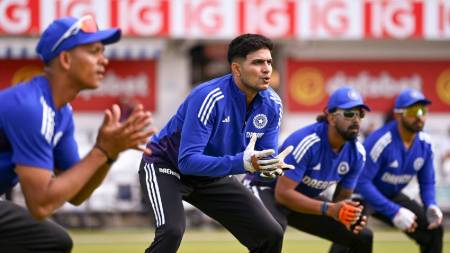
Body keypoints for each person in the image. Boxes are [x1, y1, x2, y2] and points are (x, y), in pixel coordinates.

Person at [0, 16, 154, 252]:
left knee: (53, 242)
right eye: (94, 51)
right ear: (65, 59)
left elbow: (77, 194)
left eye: (103, 52)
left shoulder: (61, 112)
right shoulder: (30, 106)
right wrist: (102, 151)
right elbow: (40, 204)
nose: (104, 60)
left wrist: (108, 154)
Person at [139, 33, 293, 253]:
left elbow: (263, 156)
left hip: (212, 175)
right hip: (165, 166)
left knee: (271, 234)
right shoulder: (208, 96)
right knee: (171, 232)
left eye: (269, 61)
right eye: (258, 62)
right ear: (237, 69)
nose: (267, 68)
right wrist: (244, 163)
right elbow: (188, 162)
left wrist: (270, 168)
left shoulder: (273, 104)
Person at [244, 86, 373, 253]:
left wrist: (346, 214)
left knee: (361, 235)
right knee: (273, 231)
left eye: (360, 114)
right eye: (349, 114)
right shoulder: (306, 142)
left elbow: (339, 201)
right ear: (331, 117)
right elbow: (283, 195)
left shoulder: (358, 153)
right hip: (266, 188)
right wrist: (328, 209)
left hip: (299, 199)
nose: (356, 119)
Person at [355, 88, 444, 253]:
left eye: (422, 110)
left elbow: (427, 181)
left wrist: (431, 204)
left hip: (391, 195)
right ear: (398, 115)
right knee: (355, 233)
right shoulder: (381, 141)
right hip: (362, 195)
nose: (419, 116)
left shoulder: (425, 144)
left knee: (433, 230)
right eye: (413, 111)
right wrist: (394, 211)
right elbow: (362, 182)